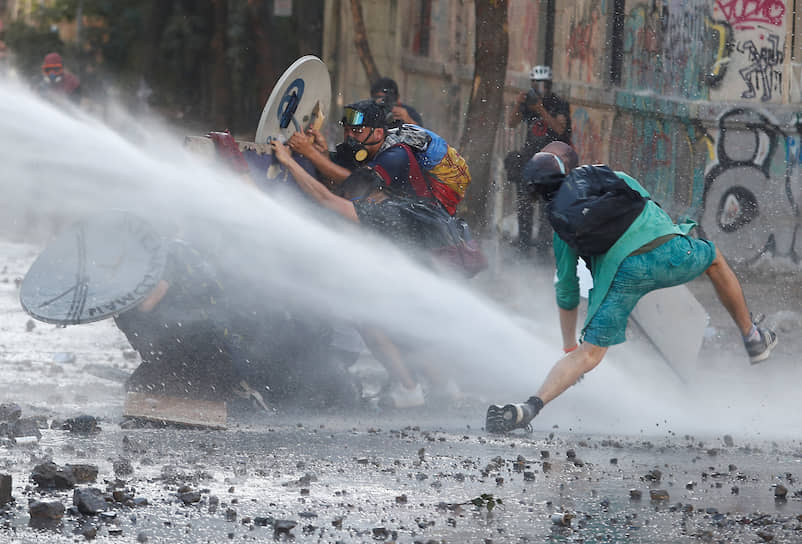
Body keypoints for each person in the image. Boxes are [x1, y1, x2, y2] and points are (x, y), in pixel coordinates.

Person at [485, 141, 779, 433]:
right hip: (667, 252)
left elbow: (567, 291)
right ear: (569, 169)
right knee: (713, 258)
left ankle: (529, 407)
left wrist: (569, 347)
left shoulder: (562, 224)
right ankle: (752, 337)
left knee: (588, 356)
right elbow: (651, 211)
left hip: (621, 278)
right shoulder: (610, 177)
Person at [271, 142, 471, 407]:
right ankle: (445, 388)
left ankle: (408, 389)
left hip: (410, 285)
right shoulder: (406, 204)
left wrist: (288, 162)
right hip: (422, 284)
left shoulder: (386, 212)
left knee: (372, 326)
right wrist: (316, 151)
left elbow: (327, 200)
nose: (357, 196)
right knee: (410, 333)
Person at [505, 65, 571, 254]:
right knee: (525, 203)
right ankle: (524, 245)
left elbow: (560, 129)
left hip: (552, 160)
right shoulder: (529, 102)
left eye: (543, 85)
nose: (540, 88)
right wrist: (519, 104)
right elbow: (512, 123)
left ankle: (543, 248)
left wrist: (541, 109)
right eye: (536, 84)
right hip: (530, 160)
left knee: (546, 207)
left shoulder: (558, 103)